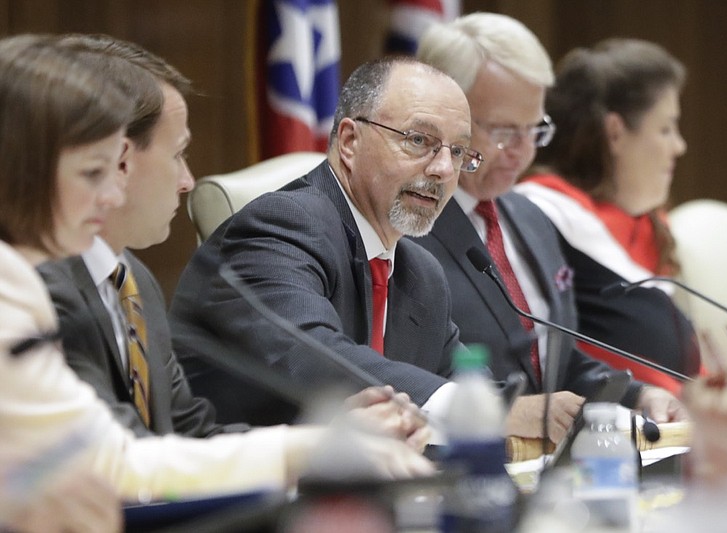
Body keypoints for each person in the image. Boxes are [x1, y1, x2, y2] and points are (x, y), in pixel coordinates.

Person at [0, 33, 432, 508]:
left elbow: (186, 434)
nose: (109, 193)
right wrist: (306, 451)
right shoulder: (26, 283)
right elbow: (109, 464)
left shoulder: (131, 280)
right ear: (22, 170)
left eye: (114, 168)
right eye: (93, 171)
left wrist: (328, 441)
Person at [413, 12, 687, 444]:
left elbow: (553, 360)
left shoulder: (529, 217)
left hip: (557, 468)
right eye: (504, 131)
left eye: (534, 129)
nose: (521, 152)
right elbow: (409, 372)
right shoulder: (408, 228)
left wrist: (637, 395)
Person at [168, 56, 476, 431]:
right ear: (349, 141)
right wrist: (467, 407)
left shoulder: (420, 272)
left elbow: (462, 378)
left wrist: (519, 411)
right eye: (418, 140)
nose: (443, 169)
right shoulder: (280, 227)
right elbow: (313, 352)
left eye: (457, 151)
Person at [515, 38, 701, 392]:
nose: (680, 146)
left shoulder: (646, 226)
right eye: (665, 129)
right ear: (615, 132)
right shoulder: (541, 214)